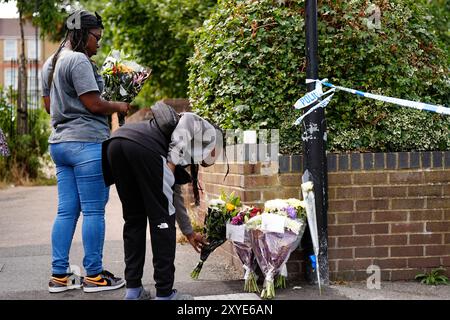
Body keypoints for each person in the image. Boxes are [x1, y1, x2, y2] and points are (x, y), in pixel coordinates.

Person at [41, 10, 128, 293]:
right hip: (86, 144)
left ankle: (59, 276)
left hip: (60, 144)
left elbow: (48, 106)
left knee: (66, 212)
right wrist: (119, 106)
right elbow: (93, 104)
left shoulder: (50, 63)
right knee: (93, 211)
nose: (98, 44)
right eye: (96, 37)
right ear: (81, 33)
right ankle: (93, 276)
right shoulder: (78, 60)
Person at [102, 103, 223, 300]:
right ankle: (165, 294)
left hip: (116, 144)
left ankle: (133, 291)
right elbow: (188, 119)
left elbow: (173, 196)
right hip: (142, 148)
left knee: (134, 220)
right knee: (162, 222)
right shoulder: (209, 133)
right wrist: (171, 164)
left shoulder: (179, 145)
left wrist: (189, 232)